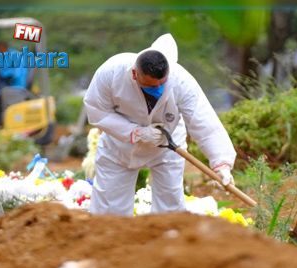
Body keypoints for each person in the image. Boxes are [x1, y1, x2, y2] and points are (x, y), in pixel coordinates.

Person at [84, 33, 236, 215]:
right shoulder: (111, 72)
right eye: (150, 85)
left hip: (168, 146)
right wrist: (136, 133)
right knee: (109, 212)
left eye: (161, 84)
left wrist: (222, 164)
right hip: (120, 146)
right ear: (134, 74)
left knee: (169, 208)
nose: (157, 89)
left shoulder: (181, 80)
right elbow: (96, 111)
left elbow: (204, 122)